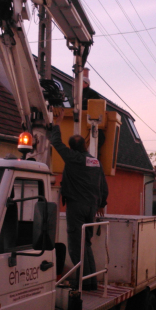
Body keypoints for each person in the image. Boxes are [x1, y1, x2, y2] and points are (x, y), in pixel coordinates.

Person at [49, 107, 108, 290]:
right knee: (86, 244)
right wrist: (102, 203)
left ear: (73, 148)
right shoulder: (95, 161)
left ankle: (82, 282)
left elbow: (56, 143)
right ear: (84, 146)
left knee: (75, 246)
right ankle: (90, 282)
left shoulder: (73, 158)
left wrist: (57, 124)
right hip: (92, 207)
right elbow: (103, 185)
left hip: (76, 206)